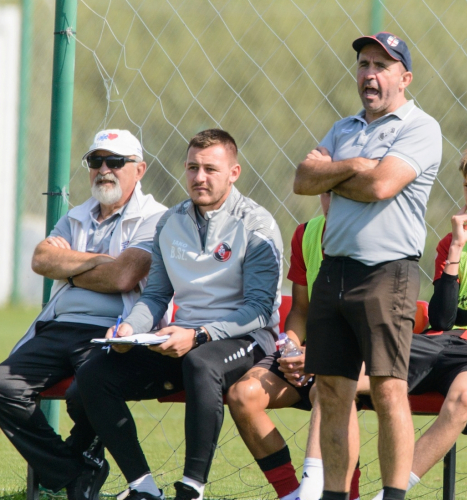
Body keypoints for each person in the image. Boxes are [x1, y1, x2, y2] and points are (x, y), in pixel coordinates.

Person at [75, 128, 284, 500]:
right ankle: (142, 487)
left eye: (210, 169)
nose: (199, 177)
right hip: (180, 339)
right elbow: (156, 295)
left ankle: (192, 488)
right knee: (95, 372)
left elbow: (259, 309)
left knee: (202, 363)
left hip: (244, 340)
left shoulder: (257, 225)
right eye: (192, 167)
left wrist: (200, 334)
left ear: (234, 173)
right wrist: (129, 328)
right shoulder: (169, 223)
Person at [294, 32, 442, 500]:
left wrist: (337, 172)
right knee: (333, 393)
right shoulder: (344, 129)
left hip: (387, 273)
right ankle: (336, 495)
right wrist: (359, 163)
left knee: (387, 391)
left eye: (382, 65)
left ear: (405, 77)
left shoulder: (420, 127)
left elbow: (382, 186)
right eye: (363, 64)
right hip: (334, 272)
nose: (370, 74)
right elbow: (302, 179)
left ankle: (393, 496)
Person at [0, 129, 167, 499]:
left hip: (113, 330)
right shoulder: (76, 216)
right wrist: (97, 262)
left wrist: (70, 264)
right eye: (96, 161)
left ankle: (77, 463)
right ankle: (74, 469)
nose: (104, 170)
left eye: (115, 162)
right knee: (3, 386)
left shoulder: (157, 218)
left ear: (139, 170)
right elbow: (41, 259)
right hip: (58, 326)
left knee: (83, 393)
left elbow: (125, 276)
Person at [366, 142, 467, 498]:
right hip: (440, 341)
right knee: (349, 377)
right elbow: (442, 317)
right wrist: (456, 249)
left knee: (466, 394)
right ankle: (332, 485)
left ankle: (390, 494)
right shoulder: (452, 242)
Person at [227, 193, 360, 500]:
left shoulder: (372, 240)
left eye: (345, 193)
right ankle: (291, 494)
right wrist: (291, 346)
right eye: (329, 193)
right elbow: (300, 309)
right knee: (242, 395)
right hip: (310, 351)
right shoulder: (306, 233)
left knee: (327, 393)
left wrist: (318, 356)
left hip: (354, 354)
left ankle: (341, 493)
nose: (336, 201)